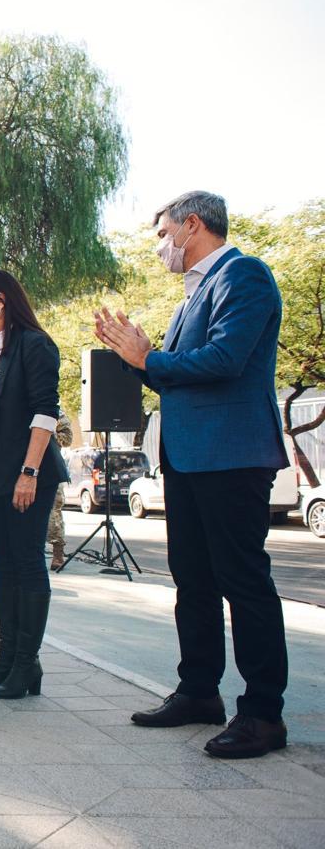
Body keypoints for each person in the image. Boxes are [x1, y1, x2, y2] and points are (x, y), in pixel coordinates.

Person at [95, 190, 290, 759]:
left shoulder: (243, 275)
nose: (160, 247)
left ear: (192, 226)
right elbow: (173, 377)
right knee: (194, 583)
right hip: (185, 459)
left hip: (230, 457)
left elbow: (225, 361)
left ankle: (263, 714)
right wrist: (141, 360)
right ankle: (199, 691)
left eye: (162, 234)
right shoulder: (189, 297)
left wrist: (148, 359)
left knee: (243, 582)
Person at [0, 270, 69, 701]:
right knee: (3, 568)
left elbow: (45, 413)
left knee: (27, 564)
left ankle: (27, 662)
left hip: (27, 476)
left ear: (1, 300)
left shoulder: (34, 345)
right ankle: (6, 658)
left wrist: (30, 471)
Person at [47, 409, 74, 571]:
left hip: (50, 466)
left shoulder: (57, 413)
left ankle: (58, 553)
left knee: (53, 514)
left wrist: (48, 434)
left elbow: (68, 439)